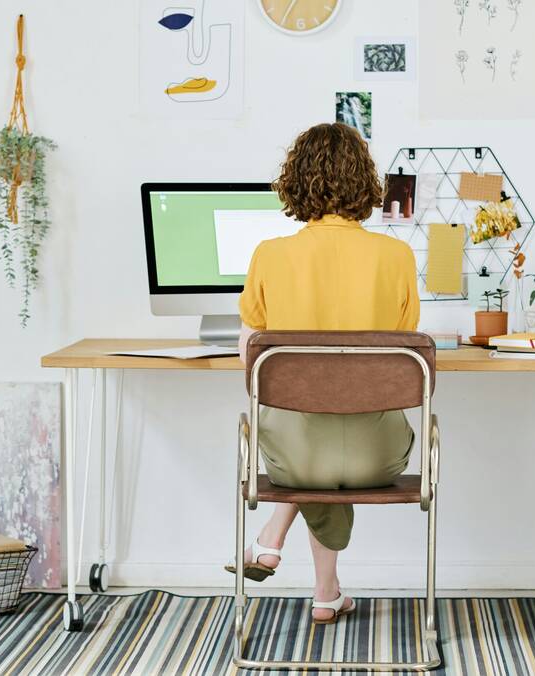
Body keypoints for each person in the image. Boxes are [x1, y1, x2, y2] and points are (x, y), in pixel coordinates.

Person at [227, 122, 420, 623]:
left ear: (296, 181)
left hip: (295, 459)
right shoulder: (396, 256)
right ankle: (325, 591)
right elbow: (404, 351)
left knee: (311, 444)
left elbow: (250, 358)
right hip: (378, 458)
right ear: (365, 182)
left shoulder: (269, 256)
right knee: (339, 427)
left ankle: (274, 538)